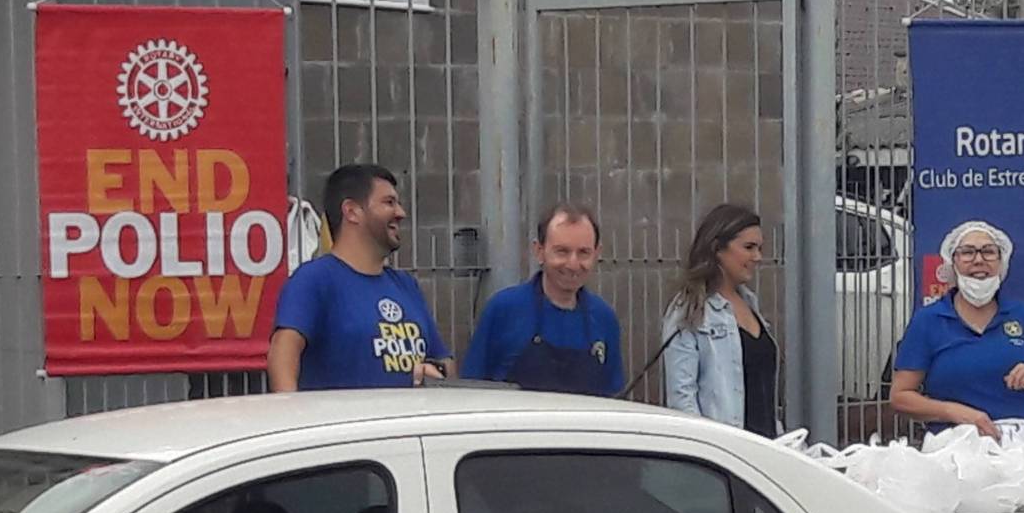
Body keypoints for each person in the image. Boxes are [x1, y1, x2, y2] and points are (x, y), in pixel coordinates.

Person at [267, 163, 454, 391]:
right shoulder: (313, 280)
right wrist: (291, 408)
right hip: (341, 415)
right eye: (389, 202)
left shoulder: (405, 285)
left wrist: (436, 372)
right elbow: (283, 353)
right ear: (352, 211)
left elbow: (445, 362)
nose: (400, 213)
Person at [891, 219, 1024, 439]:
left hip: (1021, 439)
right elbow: (900, 396)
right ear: (952, 262)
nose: (979, 260)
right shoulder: (929, 320)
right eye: (967, 252)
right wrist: (954, 412)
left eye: (989, 252)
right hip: (954, 440)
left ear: (1001, 262)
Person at [461, 203, 625, 395]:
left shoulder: (605, 319)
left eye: (583, 253)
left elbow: (612, 398)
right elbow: (471, 390)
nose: (573, 264)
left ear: (597, 253)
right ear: (539, 251)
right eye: (562, 251)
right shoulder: (503, 310)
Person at [663, 204, 778, 437]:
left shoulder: (750, 303)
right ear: (717, 248)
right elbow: (682, 398)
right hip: (725, 447)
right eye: (748, 247)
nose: (757, 257)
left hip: (764, 446)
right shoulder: (690, 309)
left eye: (759, 248)